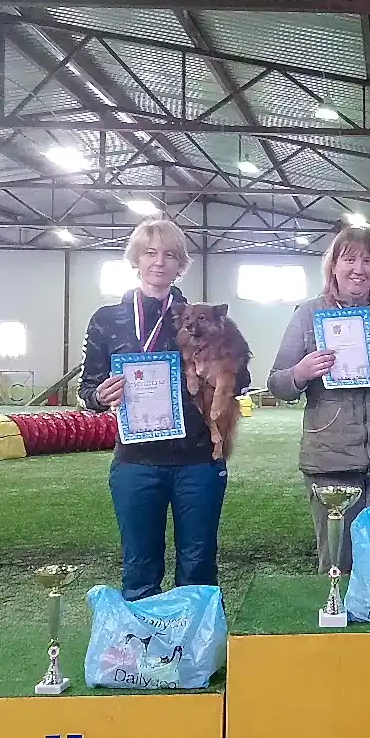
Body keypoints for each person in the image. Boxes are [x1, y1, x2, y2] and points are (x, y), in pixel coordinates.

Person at [78, 218, 251, 601]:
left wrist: (214, 375)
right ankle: (142, 638)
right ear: (135, 259)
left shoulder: (205, 317)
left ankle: (197, 640)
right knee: (139, 569)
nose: (159, 262)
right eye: (150, 253)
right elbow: (87, 390)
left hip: (198, 459)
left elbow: (242, 377)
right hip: (136, 462)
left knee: (199, 567)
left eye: (170, 255)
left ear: (180, 264)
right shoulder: (108, 320)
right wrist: (100, 395)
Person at [267, 228, 370, 575]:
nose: (358, 269)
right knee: (339, 567)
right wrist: (301, 372)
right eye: (349, 259)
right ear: (333, 266)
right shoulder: (307, 314)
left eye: (367, 260)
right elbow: (277, 383)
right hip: (330, 463)